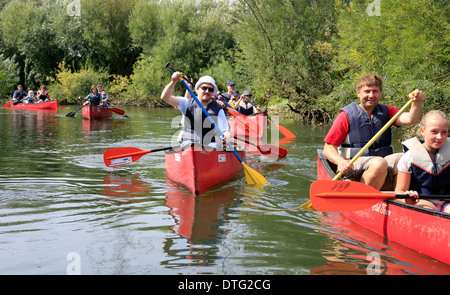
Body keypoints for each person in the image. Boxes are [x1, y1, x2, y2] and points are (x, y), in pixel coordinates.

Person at [323, 74, 426, 190]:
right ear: (358, 93)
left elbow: (412, 119)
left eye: (375, 91)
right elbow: (328, 148)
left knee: (407, 158)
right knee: (379, 163)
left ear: (380, 93)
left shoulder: (387, 111)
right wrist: (341, 162)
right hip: (354, 167)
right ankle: (362, 197)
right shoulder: (346, 116)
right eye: (367, 91)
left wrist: (416, 103)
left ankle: (399, 194)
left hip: (381, 163)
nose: (371, 95)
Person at [395, 110, 449, 212]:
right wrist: (406, 198)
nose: (439, 137)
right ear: (422, 131)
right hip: (421, 201)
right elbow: (399, 191)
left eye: (444, 132)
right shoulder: (408, 158)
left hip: (447, 202)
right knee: (430, 209)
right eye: (434, 131)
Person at [161, 72, 230, 149]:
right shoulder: (186, 103)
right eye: (204, 88)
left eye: (210, 89)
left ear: (213, 92)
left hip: (210, 144)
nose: (207, 91)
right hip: (189, 142)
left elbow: (224, 130)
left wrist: (226, 135)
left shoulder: (218, 108)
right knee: (191, 145)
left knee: (214, 146)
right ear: (197, 89)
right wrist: (173, 82)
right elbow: (165, 98)